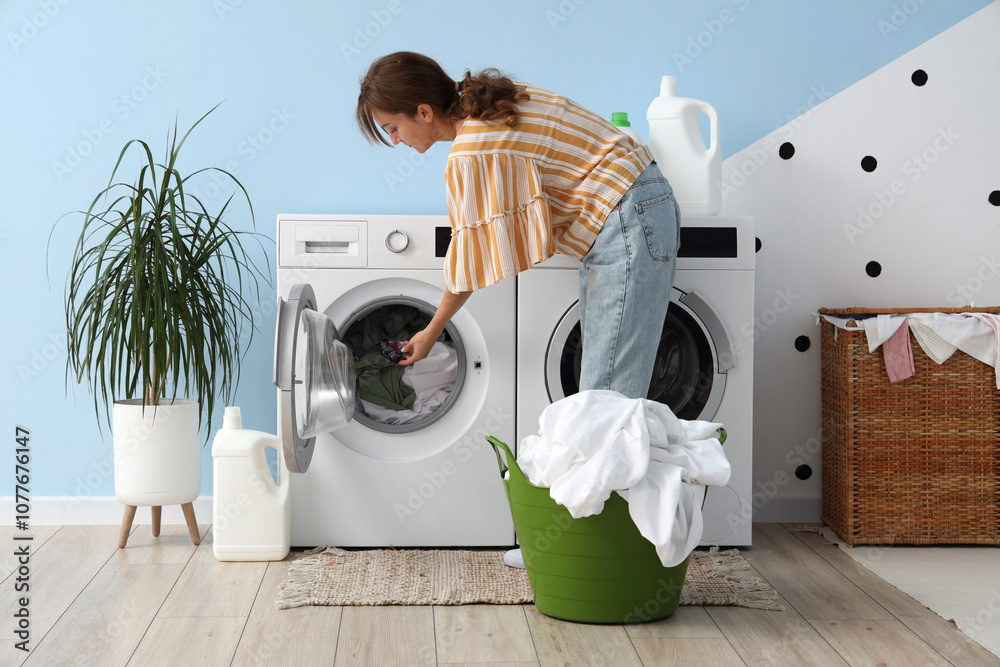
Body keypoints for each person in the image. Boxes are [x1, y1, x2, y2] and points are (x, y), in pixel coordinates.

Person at [356, 51, 680, 566]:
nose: (396, 142)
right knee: (604, 396)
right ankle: (591, 539)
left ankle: (580, 549)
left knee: (605, 402)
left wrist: (431, 331)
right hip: (635, 212)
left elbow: (467, 261)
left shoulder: (472, 150)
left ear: (422, 111)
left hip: (627, 226)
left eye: (392, 128)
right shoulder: (494, 101)